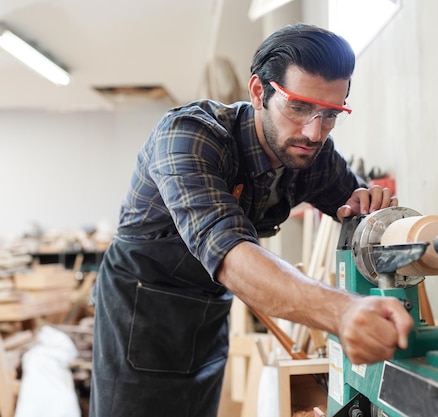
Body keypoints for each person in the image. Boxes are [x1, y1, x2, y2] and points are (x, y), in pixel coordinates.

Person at [90, 23, 414, 417]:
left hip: (207, 311)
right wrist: (342, 311)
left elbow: (359, 208)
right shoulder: (189, 136)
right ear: (259, 91)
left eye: (330, 114)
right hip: (140, 312)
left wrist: (373, 210)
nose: (314, 132)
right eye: (298, 107)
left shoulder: (312, 155)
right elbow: (229, 251)